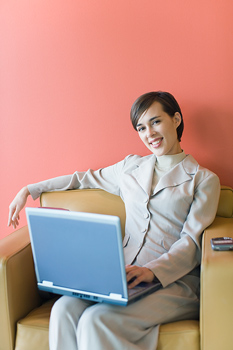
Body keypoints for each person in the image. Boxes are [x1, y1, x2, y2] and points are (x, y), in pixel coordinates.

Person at [8, 91, 220, 350]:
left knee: (97, 319)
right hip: (121, 276)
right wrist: (30, 189)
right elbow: (82, 178)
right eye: (141, 127)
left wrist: (151, 271)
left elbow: (192, 242)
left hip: (174, 282)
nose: (149, 134)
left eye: (156, 122)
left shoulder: (204, 179)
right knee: (63, 308)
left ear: (176, 119)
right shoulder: (131, 167)